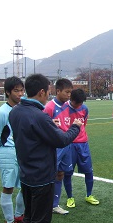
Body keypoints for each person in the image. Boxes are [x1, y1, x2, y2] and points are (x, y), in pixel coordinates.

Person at [9, 74, 82, 223]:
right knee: (39, 222)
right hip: (41, 176)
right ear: (41, 92)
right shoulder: (39, 115)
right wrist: (75, 127)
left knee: (30, 217)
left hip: (26, 174)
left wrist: (51, 127)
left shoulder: (15, 111)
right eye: (48, 91)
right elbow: (62, 140)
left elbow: (34, 135)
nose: (48, 95)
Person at [0, 76, 25, 223]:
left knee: (26, 185)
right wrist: (2, 151)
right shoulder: (2, 113)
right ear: (7, 92)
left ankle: (19, 215)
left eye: (21, 90)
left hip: (22, 152)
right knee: (8, 187)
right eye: (16, 90)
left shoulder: (20, 108)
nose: (20, 94)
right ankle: (9, 221)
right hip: (8, 152)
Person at [63, 88, 99, 207]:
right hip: (69, 144)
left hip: (83, 143)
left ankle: (89, 195)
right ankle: (70, 197)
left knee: (89, 171)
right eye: (77, 103)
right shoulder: (64, 108)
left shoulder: (84, 109)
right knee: (68, 172)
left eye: (81, 103)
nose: (79, 105)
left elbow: (84, 124)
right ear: (71, 99)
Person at [44, 78, 73, 215]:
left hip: (66, 144)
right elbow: (43, 125)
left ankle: (55, 204)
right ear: (58, 91)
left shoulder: (68, 106)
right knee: (50, 174)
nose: (68, 95)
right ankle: (45, 203)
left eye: (70, 92)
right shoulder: (49, 106)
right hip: (55, 146)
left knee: (61, 173)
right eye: (66, 92)